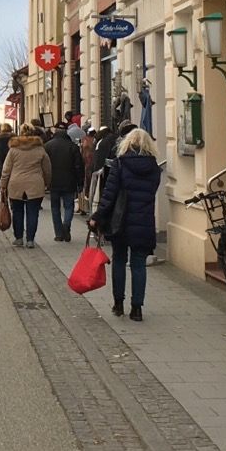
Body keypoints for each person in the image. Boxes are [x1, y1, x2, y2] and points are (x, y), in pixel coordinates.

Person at [93, 126, 161, 321]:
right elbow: (150, 193)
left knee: (120, 261)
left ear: (127, 143)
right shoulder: (153, 168)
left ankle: (118, 303)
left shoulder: (120, 164)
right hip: (144, 220)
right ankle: (137, 308)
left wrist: (97, 216)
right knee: (139, 264)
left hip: (120, 221)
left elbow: (109, 194)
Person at [0, 121, 51, 249]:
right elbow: (47, 169)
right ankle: (30, 240)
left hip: (16, 184)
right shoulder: (40, 149)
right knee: (33, 212)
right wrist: (46, 183)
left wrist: (3, 185)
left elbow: (6, 169)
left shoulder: (13, 149)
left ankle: (18, 238)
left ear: (20, 133)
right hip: (35, 184)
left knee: (17, 211)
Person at [43, 122, 84, 242]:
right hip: (69, 182)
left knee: (55, 208)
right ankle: (66, 225)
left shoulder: (48, 146)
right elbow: (78, 166)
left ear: (55, 131)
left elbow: (45, 166)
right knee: (68, 206)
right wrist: (80, 182)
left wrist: (45, 181)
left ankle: (59, 233)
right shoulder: (73, 147)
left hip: (53, 182)